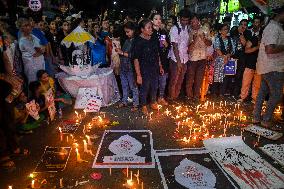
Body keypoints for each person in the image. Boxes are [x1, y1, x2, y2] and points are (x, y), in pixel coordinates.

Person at [253, 7, 284, 128]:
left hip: (268, 66)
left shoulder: (274, 26)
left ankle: (256, 117)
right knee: (276, 94)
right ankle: (266, 119)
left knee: (263, 92)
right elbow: (270, 49)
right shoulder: (273, 28)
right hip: (273, 67)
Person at [132, 19, 164, 114]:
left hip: (154, 67)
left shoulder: (153, 38)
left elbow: (157, 53)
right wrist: (138, 75)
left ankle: (153, 102)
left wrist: (160, 66)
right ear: (142, 29)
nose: (151, 29)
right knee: (144, 87)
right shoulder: (138, 41)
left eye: (151, 27)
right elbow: (136, 59)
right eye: (148, 28)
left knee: (154, 86)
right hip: (143, 69)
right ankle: (143, 105)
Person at [187, 14, 212, 103]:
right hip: (192, 58)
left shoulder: (205, 30)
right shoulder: (188, 30)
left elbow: (209, 43)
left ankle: (196, 96)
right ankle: (189, 96)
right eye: (192, 21)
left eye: (195, 21)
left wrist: (204, 39)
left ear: (199, 21)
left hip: (202, 58)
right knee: (190, 79)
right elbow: (188, 48)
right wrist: (193, 40)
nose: (193, 23)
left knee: (199, 79)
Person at [237, 17, 263, 104]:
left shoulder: (263, 37)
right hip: (250, 61)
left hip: (260, 63)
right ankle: (243, 96)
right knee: (246, 81)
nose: (256, 24)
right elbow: (246, 49)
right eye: (255, 22)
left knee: (257, 83)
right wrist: (257, 47)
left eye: (258, 22)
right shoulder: (252, 36)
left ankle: (254, 98)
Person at [115, 22, 139, 111]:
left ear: (133, 30)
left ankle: (136, 103)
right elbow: (124, 53)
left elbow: (135, 55)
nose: (126, 34)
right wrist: (119, 51)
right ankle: (124, 101)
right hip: (123, 66)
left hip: (131, 67)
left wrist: (122, 53)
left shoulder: (137, 41)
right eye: (125, 32)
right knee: (124, 85)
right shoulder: (127, 40)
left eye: (128, 32)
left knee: (133, 86)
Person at [168, 9, 190, 100]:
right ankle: (171, 97)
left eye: (187, 20)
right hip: (175, 59)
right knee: (174, 80)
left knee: (180, 80)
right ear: (179, 19)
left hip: (185, 58)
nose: (185, 22)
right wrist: (178, 61)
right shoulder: (175, 28)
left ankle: (175, 97)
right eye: (183, 20)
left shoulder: (187, 28)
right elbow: (175, 46)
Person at [18, 18, 45, 83]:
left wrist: (42, 50)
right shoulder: (23, 40)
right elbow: (37, 52)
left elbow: (42, 47)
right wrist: (41, 50)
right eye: (25, 25)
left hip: (40, 63)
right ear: (21, 28)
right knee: (33, 85)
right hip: (31, 66)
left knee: (42, 82)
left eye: (29, 25)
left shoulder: (32, 36)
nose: (28, 27)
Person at [151, 12, 170, 105]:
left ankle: (161, 97)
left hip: (163, 59)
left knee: (163, 81)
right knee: (154, 82)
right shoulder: (150, 33)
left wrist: (166, 45)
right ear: (152, 21)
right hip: (154, 60)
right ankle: (153, 100)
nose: (158, 21)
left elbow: (167, 46)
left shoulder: (163, 32)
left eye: (159, 19)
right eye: (156, 19)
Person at [211, 24, 236, 97]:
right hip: (219, 60)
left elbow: (233, 50)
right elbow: (217, 48)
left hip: (228, 60)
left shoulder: (230, 39)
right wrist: (223, 57)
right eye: (224, 29)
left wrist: (228, 55)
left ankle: (222, 92)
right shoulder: (217, 38)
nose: (226, 30)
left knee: (226, 77)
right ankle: (214, 92)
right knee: (217, 76)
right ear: (220, 31)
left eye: (227, 29)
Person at [230, 19, 250, 98]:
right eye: (242, 24)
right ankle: (229, 91)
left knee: (239, 76)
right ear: (239, 24)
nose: (243, 26)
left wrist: (241, 34)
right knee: (230, 74)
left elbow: (245, 44)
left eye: (245, 25)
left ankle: (235, 93)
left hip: (242, 57)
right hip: (233, 56)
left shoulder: (248, 33)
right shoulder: (234, 31)